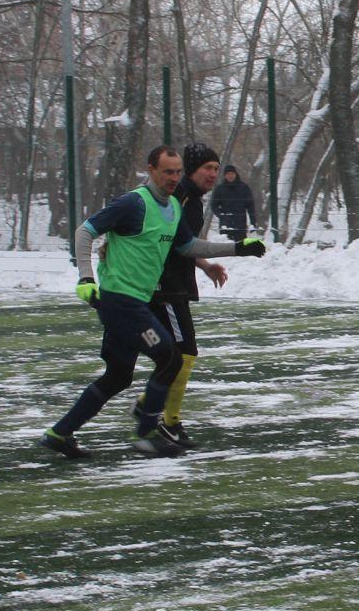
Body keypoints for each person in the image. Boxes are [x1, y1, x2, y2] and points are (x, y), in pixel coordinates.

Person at [42, 145, 265, 460]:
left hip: (137, 302)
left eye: (177, 172)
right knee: (170, 357)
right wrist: (86, 279)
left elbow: (188, 246)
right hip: (121, 301)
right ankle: (147, 432)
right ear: (151, 170)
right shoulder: (133, 203)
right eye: (167, 172)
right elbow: (85, 231)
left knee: (118, 376)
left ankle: (59, 433)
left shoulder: (173, 207)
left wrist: (237, 248)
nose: (174, 178)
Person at [150, 143, 245, 446]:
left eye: (216, 169)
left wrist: (203, 266)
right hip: (165, 287)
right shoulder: (180, 196)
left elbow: (182, 243)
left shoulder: (190, 198)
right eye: (208, 168)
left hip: (174, 285)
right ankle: (160, 417)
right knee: (182, 354)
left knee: (178, 355)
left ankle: (156, 414)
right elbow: (167, 240)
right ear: (192, 170)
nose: (213, 174)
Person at [210, 164, 256, 240]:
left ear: (236, 174)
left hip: (240, 225)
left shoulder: (244, 187)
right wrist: (221, 215)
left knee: (240, 248)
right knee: (224, 249)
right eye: (228, 174)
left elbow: (250, 206)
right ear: (225, 176)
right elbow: (214, 205)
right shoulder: (220, 189)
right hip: (225, 225)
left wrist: (253, 222)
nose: (230, 176)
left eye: (232, 173)